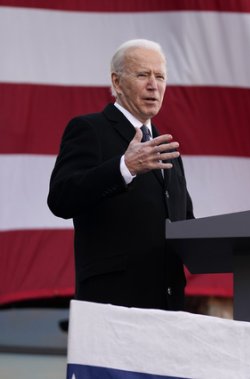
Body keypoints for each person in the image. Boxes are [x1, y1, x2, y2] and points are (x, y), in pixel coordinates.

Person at [48, 39, 194, 311]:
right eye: (143, 75)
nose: (154, 85)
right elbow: (61, 198)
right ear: (117, 82)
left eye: (160, 76)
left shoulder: (165, 147)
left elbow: (185, 223)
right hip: (111, 304)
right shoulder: (90, 130)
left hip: (168, 308)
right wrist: (124, 168)